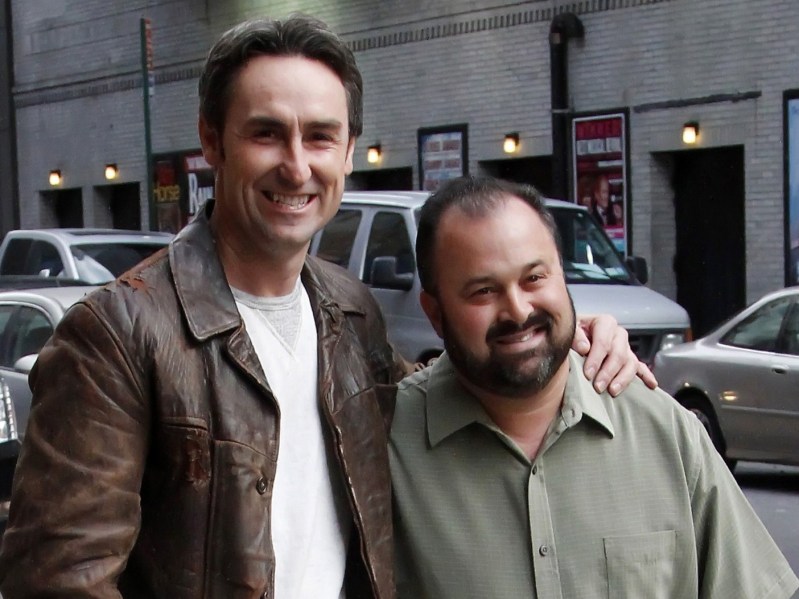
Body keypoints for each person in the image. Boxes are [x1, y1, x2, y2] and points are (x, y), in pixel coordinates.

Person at [0, 16, 647, 599]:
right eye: (266, 134)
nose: (296, 164)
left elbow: (458, 392)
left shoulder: (349, 313)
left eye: (319, 136)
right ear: (213, 142)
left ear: (346, 150)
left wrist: (574, 341)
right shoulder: (116, 333)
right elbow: (56, 581)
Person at [389, 175, 799, 599]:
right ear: (435, 314)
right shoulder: (386, 449)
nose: (517, 309)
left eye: (534, 278)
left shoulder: (664, 431)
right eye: (484, 290)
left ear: (562, 277)